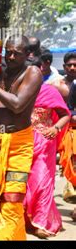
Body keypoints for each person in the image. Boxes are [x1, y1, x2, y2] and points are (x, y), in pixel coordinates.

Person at [0, 35, 42, 240]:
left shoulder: (33, 72)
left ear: (28, 54)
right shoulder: (1, 73)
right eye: (8, 52)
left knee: (12, 199)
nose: (11, 56)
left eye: (17, 53)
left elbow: (16, 104)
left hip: (18, 145)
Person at [24, 77, 69, 239]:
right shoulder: (19, 89)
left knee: (42, 182)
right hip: (21, 141)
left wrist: (56, 128)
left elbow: (65, 115)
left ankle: (41, 223)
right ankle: (25, 220)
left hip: (44, 141)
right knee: (23, 182)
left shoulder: (49, 91)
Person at [57, 52, 76, 221]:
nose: (72, 68)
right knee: (71, 168)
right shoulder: (60, 86)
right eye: (69, 65)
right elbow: (68, 110)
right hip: (68, 132)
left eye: (75, 65)